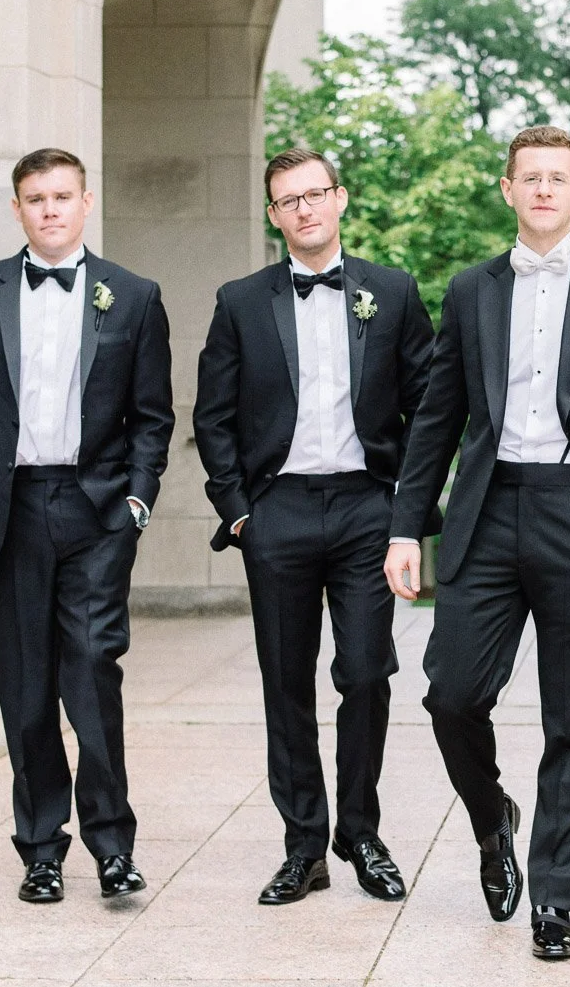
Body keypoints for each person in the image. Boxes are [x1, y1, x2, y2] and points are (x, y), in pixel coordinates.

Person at [382, 126, 570, 960]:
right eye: (530, 178)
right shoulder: (472, 289)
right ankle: (493, 816)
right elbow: (438, 415)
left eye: (559, 177)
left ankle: (554, 897)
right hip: (486, 510)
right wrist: (408, 524)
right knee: (450, 694)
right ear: (507, 190)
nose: (544, 189)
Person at [0, 148, 173, 904]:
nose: (50, 209)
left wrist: (135, 502)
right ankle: (39, 848)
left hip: (97, 512)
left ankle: (112, 847)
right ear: (17, 208)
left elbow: (153, 417)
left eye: (63, 196)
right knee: (26, 686)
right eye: (35, 198)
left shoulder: (133, 295)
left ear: (86, 202)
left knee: (93, 669)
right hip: (12, 509)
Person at [193, 148, 434, 906]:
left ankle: (359, 831)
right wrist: (239, 512)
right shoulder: (240, 301)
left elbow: (430, 407)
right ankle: (304, 845)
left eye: (315, 194)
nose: (304, 208)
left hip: (368, 506)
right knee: (285, 682)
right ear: (273, 215)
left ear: (340, 199)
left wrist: (409, 513)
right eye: (288, 200)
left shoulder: (391, 293)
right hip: (278, 511)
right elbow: (212, 415)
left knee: (366, 672)